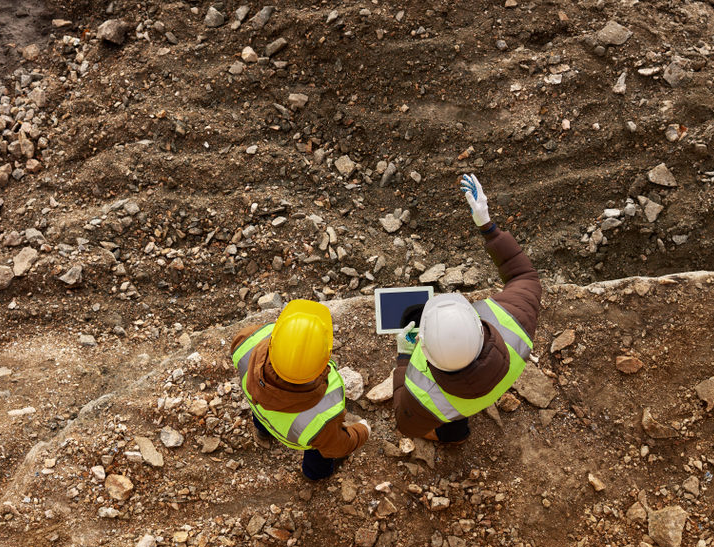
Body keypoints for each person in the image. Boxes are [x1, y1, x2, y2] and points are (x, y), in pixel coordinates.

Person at [393, 174, 541, 444]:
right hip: (491, 381)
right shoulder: (514, 325)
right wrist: (487, 225)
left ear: (422, 349)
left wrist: (403, 358)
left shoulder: (423, 393)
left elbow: (406, 425)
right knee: (456, 410)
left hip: (451, 405)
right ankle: (456, 436)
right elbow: (524, 276)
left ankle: (453, 436)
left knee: (450, 414)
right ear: (478, 324)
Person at [231, 299, 370, 480]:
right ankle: (314, 475)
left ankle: (262, 431)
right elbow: (338, 446)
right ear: (323, 361)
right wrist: (362, 431)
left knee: (261, 409)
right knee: (318, 451)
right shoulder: (322, 417)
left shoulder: (249, 339)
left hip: (260, 404)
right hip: (304, 436)